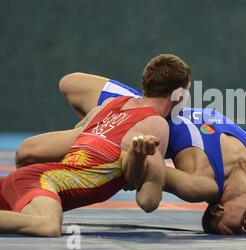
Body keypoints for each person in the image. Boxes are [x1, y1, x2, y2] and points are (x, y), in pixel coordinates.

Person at [17, 73, 246, 235]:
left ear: (217, 208)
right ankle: (86, 135)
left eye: (231, 229)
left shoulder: (202, 185)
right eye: (236, 230)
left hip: (142, 117)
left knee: (32, 150)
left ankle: (83, 140)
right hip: (151, 106)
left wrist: (130, 150)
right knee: (69, 83)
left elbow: (136, 171)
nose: (244, 229)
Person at [0, 54, 191, 237]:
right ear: (179, 95)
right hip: (42, 181)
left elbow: (78, 142)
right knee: (47, 225)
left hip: (29, 179)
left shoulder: (108, 105)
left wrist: (134, 165)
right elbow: (148, 201)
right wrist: (143, 163)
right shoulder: (155, 124)